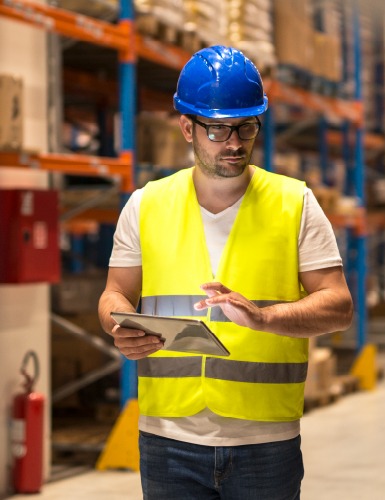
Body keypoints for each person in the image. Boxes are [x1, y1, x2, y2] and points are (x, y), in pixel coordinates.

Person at [97, 45, 353, 499]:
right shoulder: (146, 204)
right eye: (217, 129)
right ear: (187, 127)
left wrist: (267, 318)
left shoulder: (295, 204)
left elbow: (338, 306)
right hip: (167, 439)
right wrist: (120, 327)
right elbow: (115, 293)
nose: (234, 143)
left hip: (264, 443)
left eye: (246, 127)